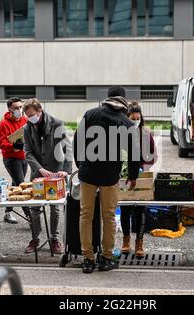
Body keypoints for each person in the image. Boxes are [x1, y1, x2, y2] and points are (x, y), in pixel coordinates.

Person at [74, 86, 141, 274]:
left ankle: (87, 259)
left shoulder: (90, 114)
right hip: (110, 175)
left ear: (108, 98)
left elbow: (78, 141)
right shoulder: (126, 123)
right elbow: (134, 153)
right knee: (109, 216)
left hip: (88, 173)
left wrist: (81, 164)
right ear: (123, 101)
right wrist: (133, 176)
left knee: (86, 215)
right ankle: (106, 258)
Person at [22, 99, 72, 254]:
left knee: (55, 208)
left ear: (39, 111)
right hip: (38, 173)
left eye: (32, 115)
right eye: (27, 116)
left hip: (56, 173)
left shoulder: (57, 123)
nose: (30, 118)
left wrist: (66, 170)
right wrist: (39, 169)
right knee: (35, 207)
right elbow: (28, 152)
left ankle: (55, 239)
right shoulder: (26, 128)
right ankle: (35, 238)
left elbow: (68, 148)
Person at [120, 103, 157, 258]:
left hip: (142, 178)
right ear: (127, 119)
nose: (135, 120)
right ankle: (126, 241)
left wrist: (143, 166)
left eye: (138, 118)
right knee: (125, 209)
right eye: (132, 118)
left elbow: (153, 156)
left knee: (140, 210)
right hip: (125, 176)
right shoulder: (121, 134)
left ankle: (139, 243)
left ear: (141, 118)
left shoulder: (146, 134)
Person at [0, 97, 29, 224]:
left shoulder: (25, 120)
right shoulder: (4, 123)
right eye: (16, 108)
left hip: (24, 157)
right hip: (11, 159)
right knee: (22, 185)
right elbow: (1, 143)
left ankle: (8, 212)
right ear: (10, 109)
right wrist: (14, 146)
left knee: (16, 185)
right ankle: (30, 216)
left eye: (21, 107)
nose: (19, 110)